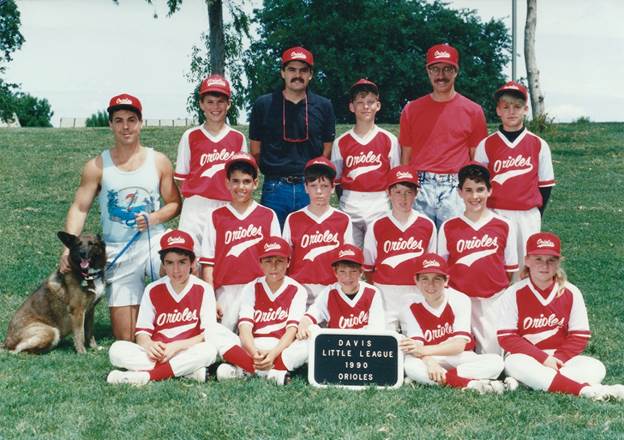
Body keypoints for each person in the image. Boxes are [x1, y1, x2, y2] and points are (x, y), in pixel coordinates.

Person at [59, 93, 181, 341]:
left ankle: (179, 325)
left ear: (141, 122)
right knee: (126, 337)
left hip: (152, 241)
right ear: (111, 124)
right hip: (118, 249)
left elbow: (175, 204)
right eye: (119, 120)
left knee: (179, 266)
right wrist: (66, 249)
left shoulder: (158, 161)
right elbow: (80, 208)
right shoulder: (97, 165)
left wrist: (154, 218)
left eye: (131, 119)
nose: (126, 126)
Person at [497, 232, 624, 400]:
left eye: (551, 260)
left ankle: (527, 383)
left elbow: (579, 336)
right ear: (527, 260)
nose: (545, 265)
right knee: (514, 364)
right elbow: (507, 338)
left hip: (560, 358)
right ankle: (586, 390)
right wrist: (543, 359)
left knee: (596, 367)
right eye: (538, 259)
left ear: (559, 262)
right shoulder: (513, 293)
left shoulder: (571, 292)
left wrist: (557, 359)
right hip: (526, 357)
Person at [106, 230, 217, 385]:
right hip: (158, 353)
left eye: (182, 262)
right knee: (117, 349)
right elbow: (142, 333)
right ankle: (186, 372)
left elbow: (207, 335)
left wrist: (176, 347)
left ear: (193, 263)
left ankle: (146, 376)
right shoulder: (152, 289)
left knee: (209, 350)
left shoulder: (203, 289)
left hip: (186, 349)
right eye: (169, 263)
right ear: (163, 264)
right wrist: (149, 345)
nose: (176, 270)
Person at [399, 43, 488, 228]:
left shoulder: (473, 111)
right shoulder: (411, 109)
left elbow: (476, 159)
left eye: (447, 69)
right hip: (420, 185)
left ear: (456, 71)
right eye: (435, 69)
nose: (441, 75)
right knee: (419, 245)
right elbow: (405, 156)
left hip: (455, 186)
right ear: (428, 71)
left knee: (454, 244)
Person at [249, 46, 336, 227]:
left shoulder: (324, 105)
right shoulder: (263, 104)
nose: (298, 75)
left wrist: (313, 180)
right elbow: (256, 149)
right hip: (275, 188)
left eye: (303, 70)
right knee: (274, 247)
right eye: (292, 70)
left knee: (310, 244)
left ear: (311, 74)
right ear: (282, 72)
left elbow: (326, 150)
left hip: (310, 187)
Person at [438, 163, 517, 354]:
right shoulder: (449, 227)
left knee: (493, 355)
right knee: (457, 353)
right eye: (469, 190)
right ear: (460, 193)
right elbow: (442, 269)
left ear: (490, 190)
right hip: (459, 300)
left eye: (480, 190)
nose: (475, 197)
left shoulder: (504, 225)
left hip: (492, 300)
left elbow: (511, 269)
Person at [400, 253, 508, 394]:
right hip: (431, 358)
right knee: (410, 365)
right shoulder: (410, 305)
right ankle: (471, 384)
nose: (431, 285)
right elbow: (416, 347)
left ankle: (440, 379)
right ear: (416, 281)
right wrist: (430, 361)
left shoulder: (459, 299)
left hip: (459, 356)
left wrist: (424, 352)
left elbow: (458, 346)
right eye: (425, 279)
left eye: (437, 279)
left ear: (446, 280)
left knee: (496, 361)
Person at [474, 81, 555, 267]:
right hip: (495, 213)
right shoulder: (486, 144)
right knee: (496, 264)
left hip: (527, 215)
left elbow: (545, 186)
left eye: (517, 106)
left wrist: (535, 213)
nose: (511, 111)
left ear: (526, 109)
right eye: (506, 106)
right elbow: (479, 186)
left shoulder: (538, 144)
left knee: (526, 265)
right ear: (498, 110)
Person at [199, 152, 280, 331]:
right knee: (221, 340)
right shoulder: (216, 216)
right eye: (235, 181)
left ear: (255, 183)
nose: (240, 187)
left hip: (259, 288)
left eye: (246, 181)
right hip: (225, 290)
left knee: (259, 338)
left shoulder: (268, 215)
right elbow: (208, 264)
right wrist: (211, 299)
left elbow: (277, 262)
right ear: (227, 183)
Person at [216, 237, 308, 383]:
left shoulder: (298, 290)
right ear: (260, 264)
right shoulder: (251, 287)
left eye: (279, 261)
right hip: (253, 346)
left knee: (313, 335)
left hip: (280, 349)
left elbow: (291, 331)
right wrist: (254, 353)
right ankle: (273, 372)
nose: (274, 266)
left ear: (288, 262)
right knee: (213, 330)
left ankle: (246, 369)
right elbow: (244, 328)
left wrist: (273, 354)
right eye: (268, 261)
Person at [174, 74, 247, 255]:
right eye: (210, 101)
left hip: (226, 204)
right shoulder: (190, 136)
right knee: (191, 257)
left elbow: (242, 179)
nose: (215, 107)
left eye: (221, 101)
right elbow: (181, 179)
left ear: (228, 104)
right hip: (195, 207)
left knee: (223, 258)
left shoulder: (238, 138)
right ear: (201, 104)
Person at [363, 165, 436, 332]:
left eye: (408, 192)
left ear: (416, 194)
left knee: (416, 339)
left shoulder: (427, 225)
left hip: (415, 291)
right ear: (388, 193)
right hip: (385, 292)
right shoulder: (377, 225)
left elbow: (430, 265)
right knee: (385, 342)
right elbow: (368, 267)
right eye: (398, 192)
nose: (403, 198)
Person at [331, 78, 400, 247]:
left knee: (376, 257)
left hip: (379, 205)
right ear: (351, 107)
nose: (366, 106)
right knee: (349, 259)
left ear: (378, 105)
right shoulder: (341, 142)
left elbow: (395, 177)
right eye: (360, 102)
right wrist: (346, 200)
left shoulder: (389, 140)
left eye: (370, 102)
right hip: (349, 205)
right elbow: (337, 179)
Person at [282, 157, 353, 306]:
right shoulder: (293, 219)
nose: (319, 191)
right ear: (306, 188)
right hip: (299, 290)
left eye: (324, 185)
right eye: (313, 186)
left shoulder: (343, 220)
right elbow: (284, 259)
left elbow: (347, 261)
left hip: (332, 290)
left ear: (333, 188)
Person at [297, 244, 385, 340]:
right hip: (335, 346)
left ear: (361, 272)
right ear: (335, 272)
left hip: (364, 345)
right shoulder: (329, 292)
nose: (348, 277)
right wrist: (303, 325)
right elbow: (310, 315)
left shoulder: (372, 293)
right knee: (311, 330)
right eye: (342, 271)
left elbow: (376, 330)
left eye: (353, 271)